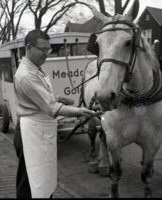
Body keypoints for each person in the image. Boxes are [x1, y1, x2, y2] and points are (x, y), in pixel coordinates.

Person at [13, 29, 100, 198]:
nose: (47, 54)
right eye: (43, 50)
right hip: (29, 135)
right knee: (29, 185)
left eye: (49, 49)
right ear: (29, 48)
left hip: (39, 131)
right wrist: (81, 112)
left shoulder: (35, 68)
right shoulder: (26, 76)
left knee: (43, 181)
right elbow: (52, 109)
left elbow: (40, 100)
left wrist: (58, 98)